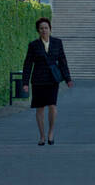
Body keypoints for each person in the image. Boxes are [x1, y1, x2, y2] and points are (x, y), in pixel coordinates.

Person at [21, 16, 73, 145]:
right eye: (41, 28)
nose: (44, 30)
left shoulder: (57, 42)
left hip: (52, 80)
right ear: (38, 31)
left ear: (50, 29)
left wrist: (68, 78)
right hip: (38, 81)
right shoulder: (33, 45)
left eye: (46, 28)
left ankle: (51, 132)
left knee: (52, 107)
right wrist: (25, 83)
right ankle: (42, 136)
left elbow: (62, 61)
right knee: (40, 109)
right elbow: (27, 64)